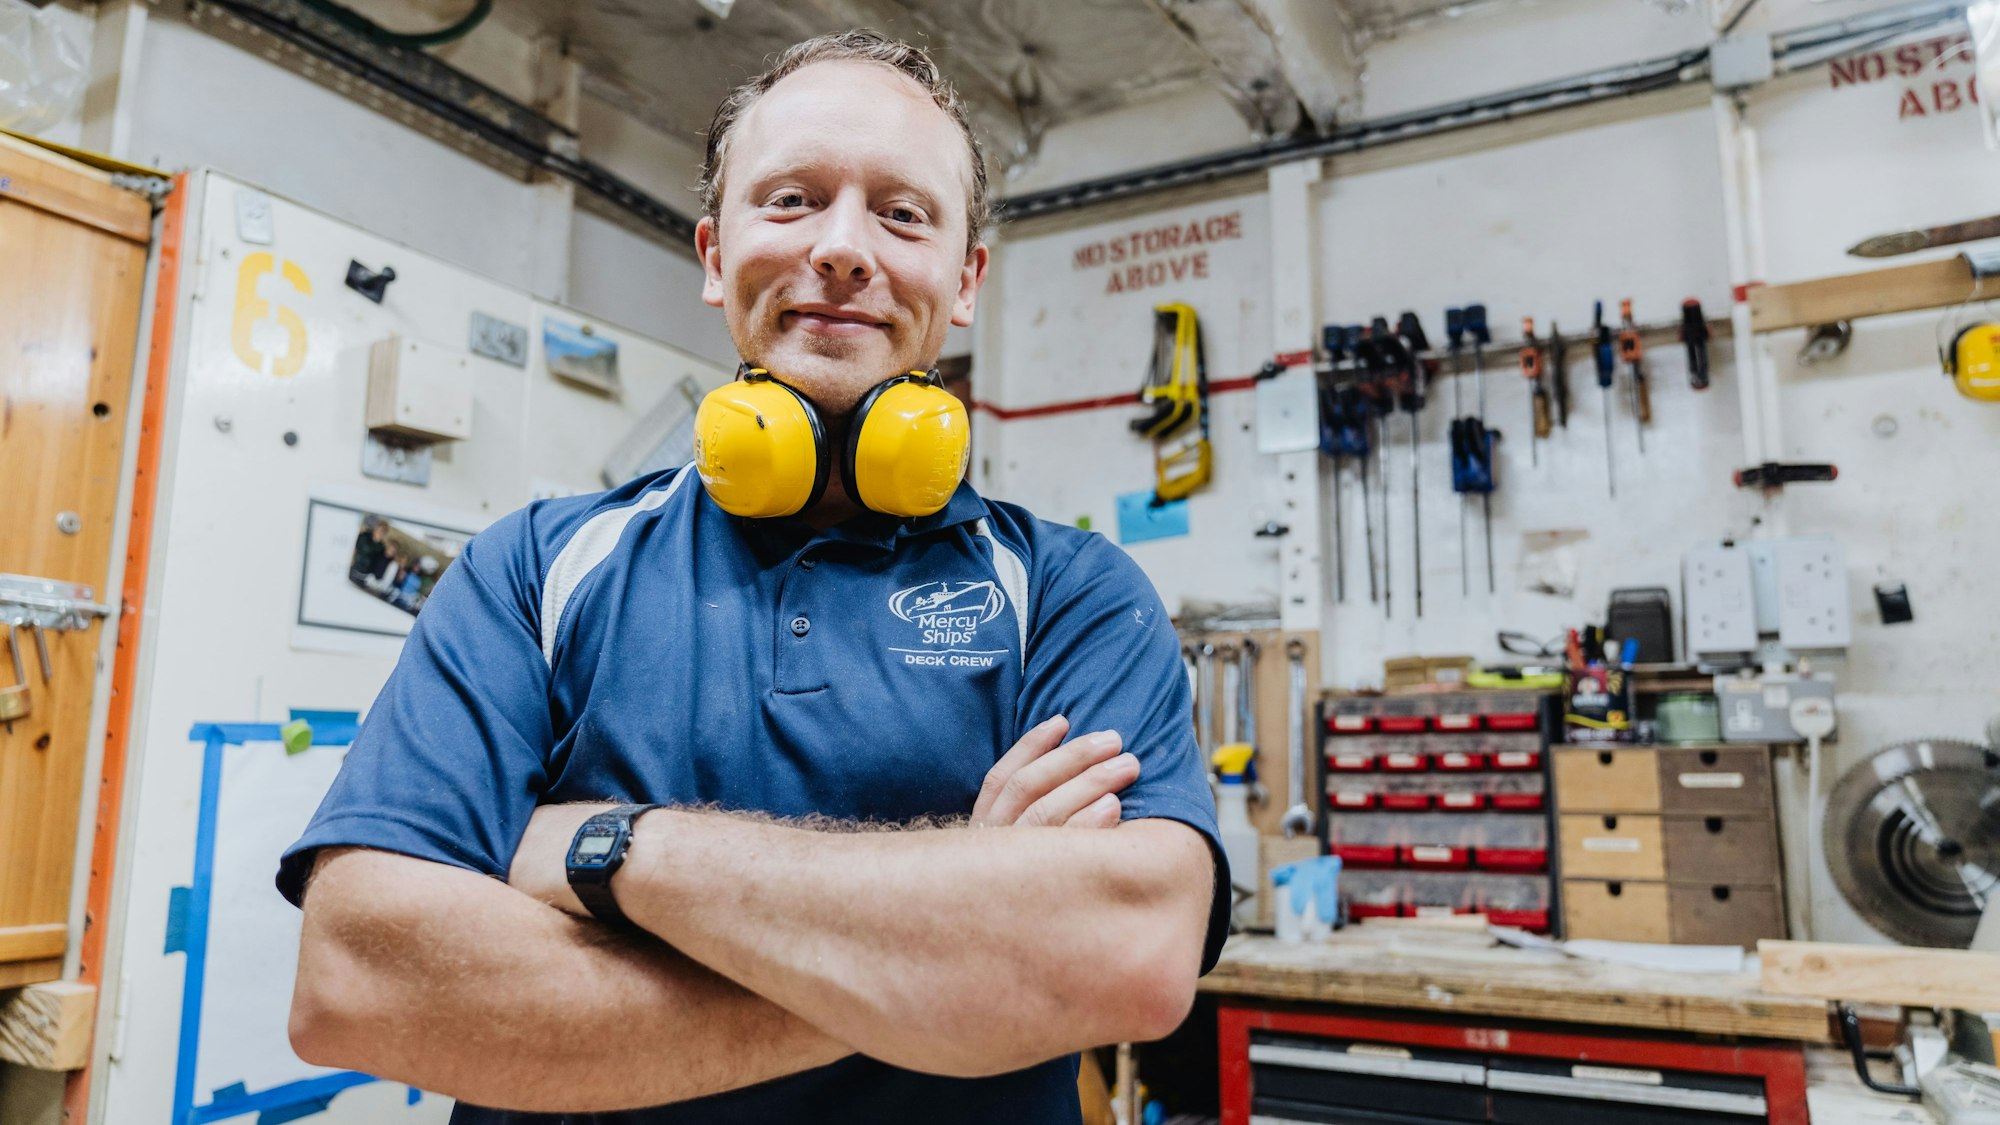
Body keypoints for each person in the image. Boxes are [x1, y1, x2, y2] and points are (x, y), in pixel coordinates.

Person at [279, 29, 1227, 1124]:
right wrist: (954, 962)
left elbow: (1132, 957)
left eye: (902, 214)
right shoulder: (535, 567)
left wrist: (609, 851)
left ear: (964, 281)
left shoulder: (1070, 591)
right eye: (790, 200)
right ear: (711, 254)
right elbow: (359, 983)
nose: (840, 247)